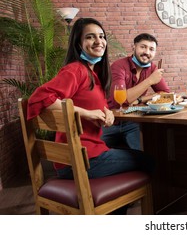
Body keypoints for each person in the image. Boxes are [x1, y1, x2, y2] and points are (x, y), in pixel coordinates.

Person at [27, 18, 154, 181]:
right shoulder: (75, 70)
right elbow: (39, 98)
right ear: (78, 43)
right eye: (90, 37)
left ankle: (113, 204)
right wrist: (87, 113)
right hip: (82, 160)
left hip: (87, 155)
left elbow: (87, 102)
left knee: (132, 155)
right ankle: (115, 204)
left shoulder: (93, 74)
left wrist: (106, 113)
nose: (98, 41)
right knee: (149, 161)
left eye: (101, 36)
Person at [101, 33, 169, 150]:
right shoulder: (119, 66)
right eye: (143, 47)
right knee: (90, 157)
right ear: (134, 47)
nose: (147, 52)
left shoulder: (152, 68)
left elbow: (166, 94)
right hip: (110, 121)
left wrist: (140, 99)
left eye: (151, 49)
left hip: (133, 121)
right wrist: (149, 81)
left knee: (147, 152)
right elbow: (120, 101)